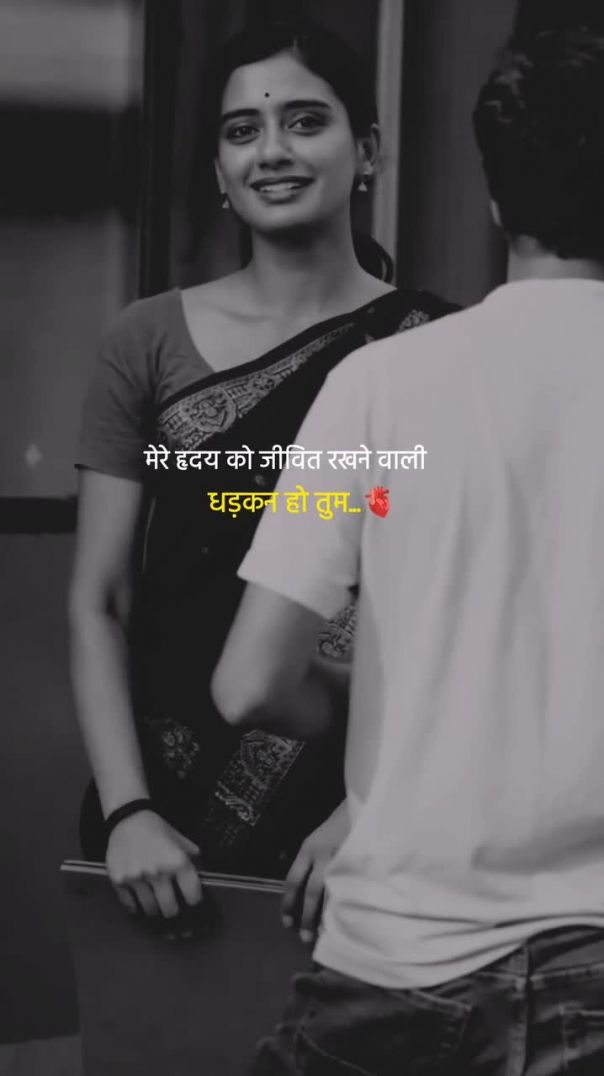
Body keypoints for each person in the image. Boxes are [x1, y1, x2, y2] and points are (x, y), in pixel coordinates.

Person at [213, 27, 604, 1073]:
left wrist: (392, 715)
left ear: (494, 201)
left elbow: (249, 684)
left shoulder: (381, 385)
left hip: (396, 966)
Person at [68, 19, 455, 930]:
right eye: (242, 131)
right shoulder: (145, 339)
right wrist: (128, 812)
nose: (271, 151)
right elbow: (100, 599)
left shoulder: (440, 348)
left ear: (367, 151)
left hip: (360, 827)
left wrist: (367, 808)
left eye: (305, 122)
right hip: (157, 829)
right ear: (219, 169)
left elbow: (454, 614)